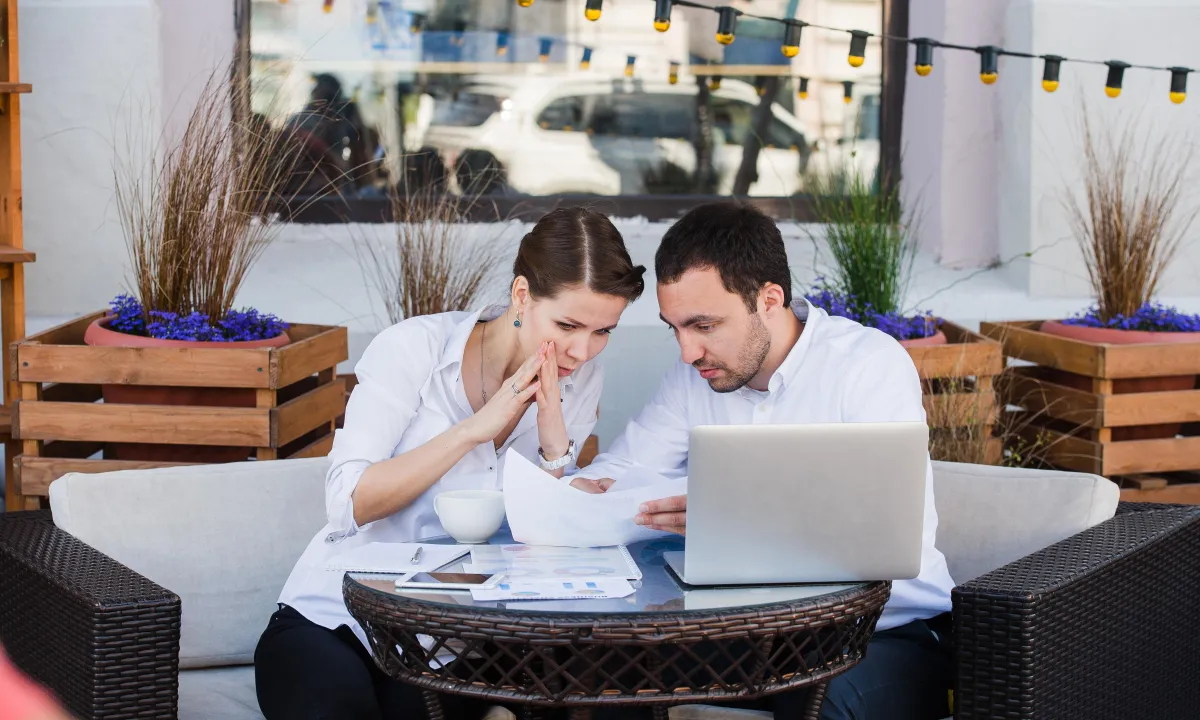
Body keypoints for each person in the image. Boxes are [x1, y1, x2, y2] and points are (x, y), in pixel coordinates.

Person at [254, 207, 646, 720]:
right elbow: (349, 502)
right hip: (335, 618)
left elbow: (543, 539)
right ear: (522, 295)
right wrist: (472, 431)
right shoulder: (415, 348)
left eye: (603, 331)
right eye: (567, 325)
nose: (582, 350)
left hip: (451, 647)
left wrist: (556, 451)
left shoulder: (581, 379)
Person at [576, 201, 956, 720]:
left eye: (704, 325)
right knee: (612, 673)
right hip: (747, 634)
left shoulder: (867, 365)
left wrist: (738, 519)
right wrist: (579, 486)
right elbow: (619, 472)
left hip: (884, 630)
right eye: (675, 328)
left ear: (769, 299)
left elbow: (892, 535)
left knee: (819, 702)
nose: (687, 351)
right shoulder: (693, 379)